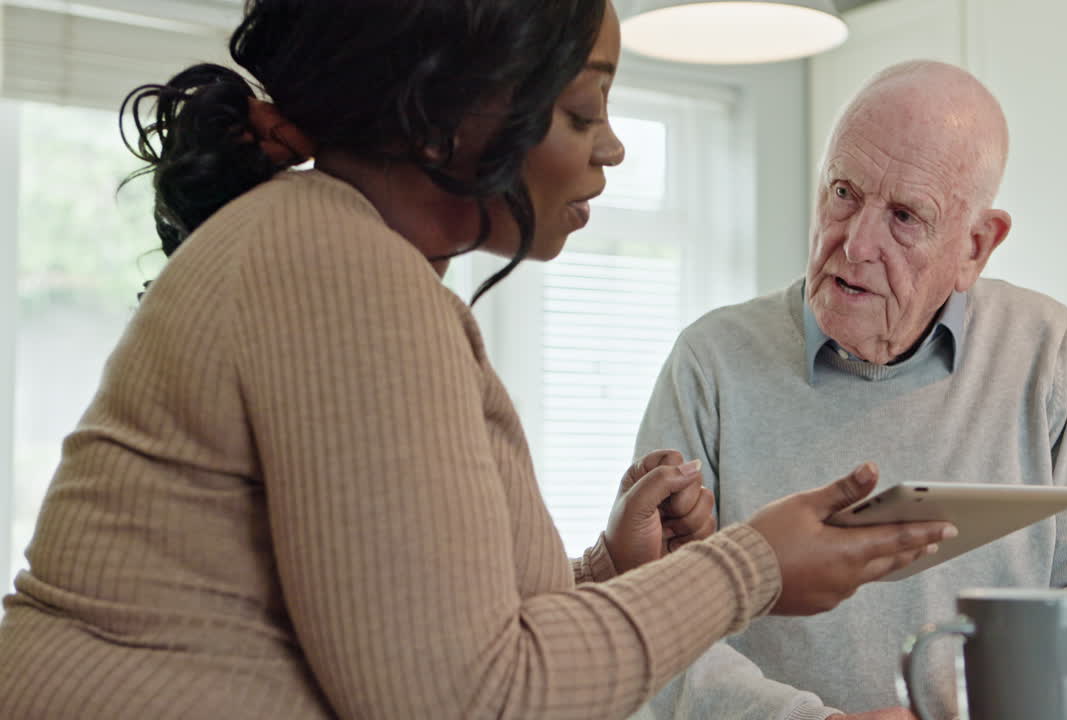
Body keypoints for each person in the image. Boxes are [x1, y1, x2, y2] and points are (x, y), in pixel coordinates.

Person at [0, 3, 958, 719]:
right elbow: (469, 700)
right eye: (581, 111)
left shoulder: (338, 249)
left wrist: (609, 572)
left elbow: (417, 631)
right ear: (440, 119)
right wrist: (752, 566)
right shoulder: (339, 272)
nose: (613, 148)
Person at [635, 60, 1067, 720]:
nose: (855, 244)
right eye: (843, 192)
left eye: (905, 216)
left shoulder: (1044, 351)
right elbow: (655, 629)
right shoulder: (710, 362)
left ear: (975, 246)